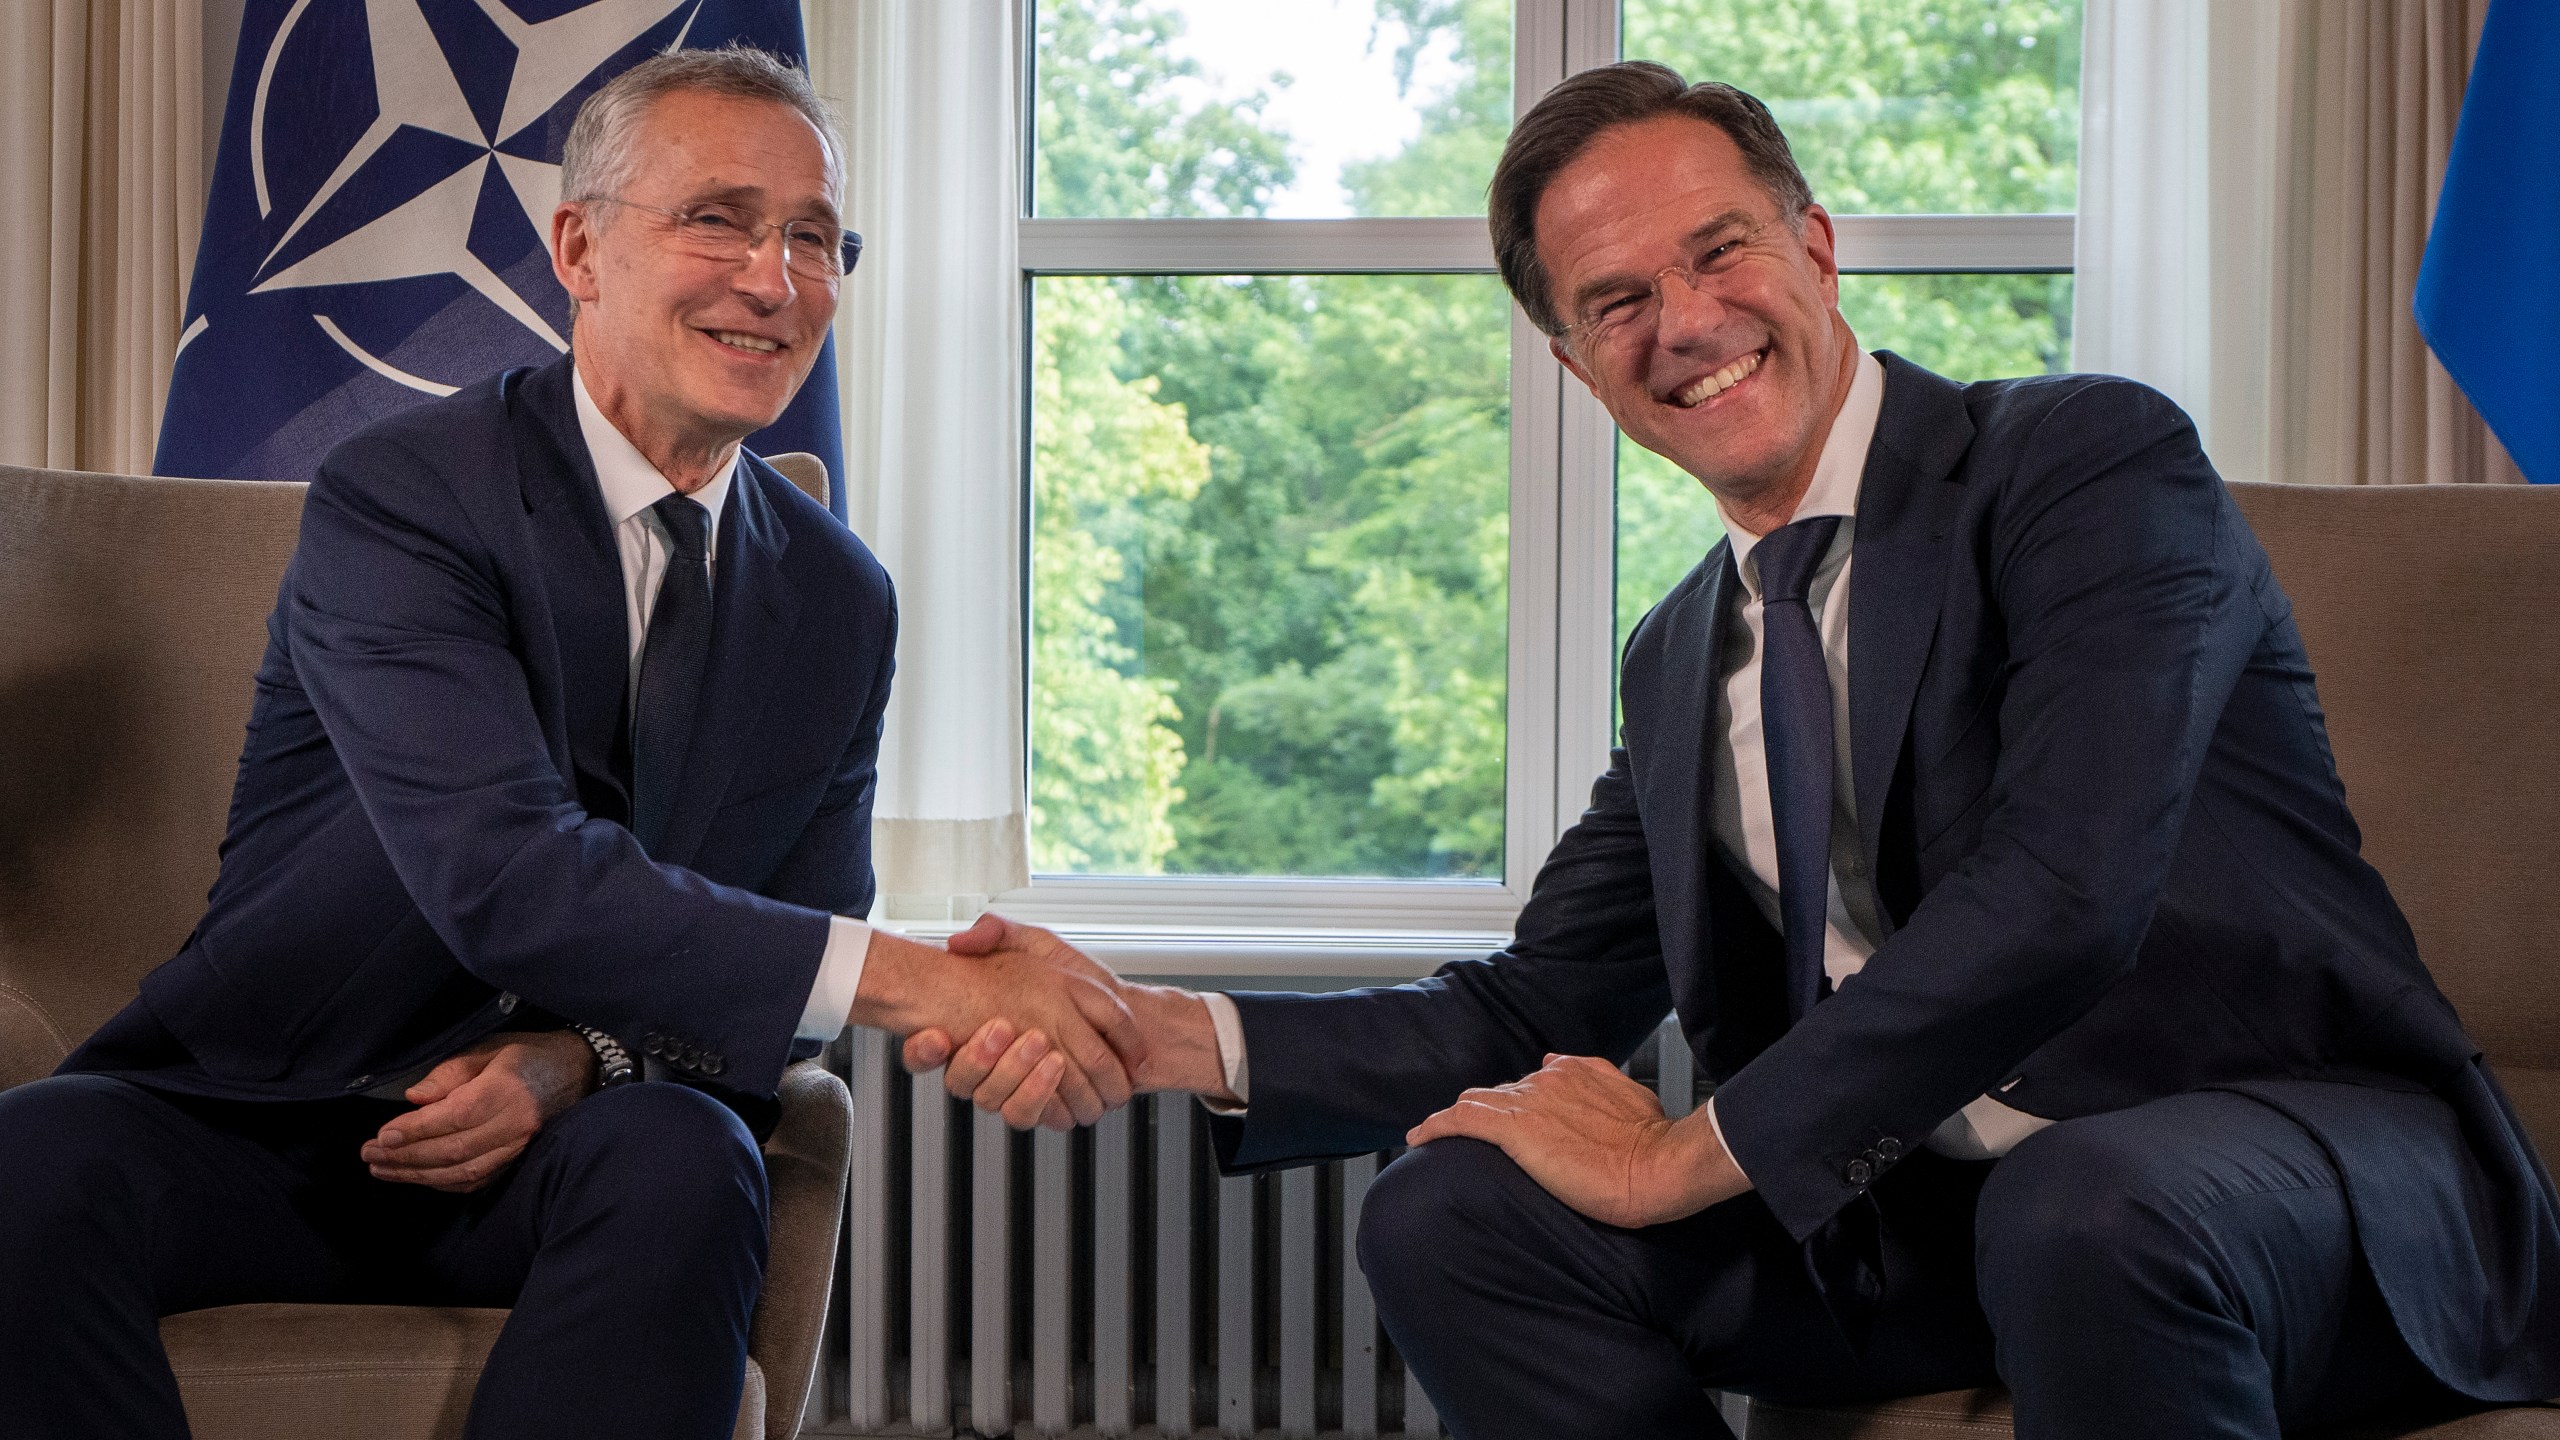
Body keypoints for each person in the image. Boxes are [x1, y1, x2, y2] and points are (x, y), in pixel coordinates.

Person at [910, 62, 2560, 1439]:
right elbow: (1529, 1010)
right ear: (1573, 364)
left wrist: (1681, 1159)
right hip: (1936, 1223)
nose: (1685, 322)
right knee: (1454, 1214)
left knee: (2089, 1208)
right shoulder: (1684, 652)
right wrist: (1153, 1033)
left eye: (1719, 253)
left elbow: (2064, 895)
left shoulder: (2083, 465)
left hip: (2287, 1176)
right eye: (1617, 300)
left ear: (1820, 247)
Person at [0, 47, 1141, 1440]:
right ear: (581, 246)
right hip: (260, 1115)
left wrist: (578, 1063)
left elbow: (797, 938)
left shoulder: (838, 601)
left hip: (556, 1158)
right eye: (718, 218)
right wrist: (930, 985)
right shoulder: (405, 499)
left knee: (688, 1154)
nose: (774, 280)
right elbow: (505, 873)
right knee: (29, 1162)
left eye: (814, 238)